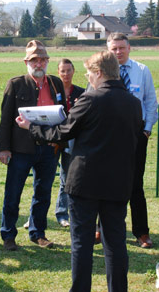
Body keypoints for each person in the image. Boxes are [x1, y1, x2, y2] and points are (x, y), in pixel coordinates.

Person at [16, 51, 142, 292]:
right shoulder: (134, 103)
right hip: (118, 182)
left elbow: (63, 132)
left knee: (82, 243)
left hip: (85, 182)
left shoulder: (90, 99)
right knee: (115, 243)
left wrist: (31, 127)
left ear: (99, 73)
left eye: (88, 74)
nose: (88, 78)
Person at [0, 40, 66, 251]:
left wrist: (59, 140)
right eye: (35, 60)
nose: (39, 64)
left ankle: (38, 233)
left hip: (49, 148)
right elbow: (5, 119)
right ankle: (8, 235)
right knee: (13, 193)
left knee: (43, 193)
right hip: (21, 149)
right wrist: (4, 148)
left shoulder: (56, 83)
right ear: (26, 62)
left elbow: (63, 114)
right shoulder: (16, 84)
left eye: (43, 60)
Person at [107, 32, 158, 248]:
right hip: (109, 135)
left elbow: (150, 101)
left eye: (121, 48)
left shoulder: (142, 70)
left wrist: (146, 130)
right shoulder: (103, 70)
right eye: (114, 48)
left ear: (129, 48)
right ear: (108, 50)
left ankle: (141, 232)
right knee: (107, 183)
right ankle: (103, 228)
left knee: (135, 184)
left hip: (136, 134)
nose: (118, 52)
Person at [55, 58, 85, 227]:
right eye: (63, 71)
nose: (66, 74)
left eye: (68, 70)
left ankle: (62, 214)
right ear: (58, 72)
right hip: (53, 138)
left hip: (72, 140)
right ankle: (35, 216)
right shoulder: (52, 91)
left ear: (74, 71)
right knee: (42, 180)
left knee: (66, 178)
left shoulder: (81, 92)